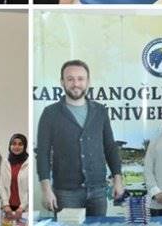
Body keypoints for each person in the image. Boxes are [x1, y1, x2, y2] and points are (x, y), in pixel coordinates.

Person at [36, 60, 122, 216]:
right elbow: (42, 153)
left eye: (80, 79)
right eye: (70, 79)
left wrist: (118, 180)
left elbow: (110, 147)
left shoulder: (100, 111)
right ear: (62, 82)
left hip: (98, 191)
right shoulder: (50, 113)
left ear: (88, 81)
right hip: (66, 193)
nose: (76, 84)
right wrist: (46, 190)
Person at [0, 134, 29, 221]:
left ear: (24, 146)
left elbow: (29, 189)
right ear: (10, 146)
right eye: (14, 143)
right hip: (7, 208)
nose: (17, 147)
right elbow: (1, 185)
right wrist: (6, 205)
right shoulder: (5, 162)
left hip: (24, 209)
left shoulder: (28, 163)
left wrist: (22, 207)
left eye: (20, 144)